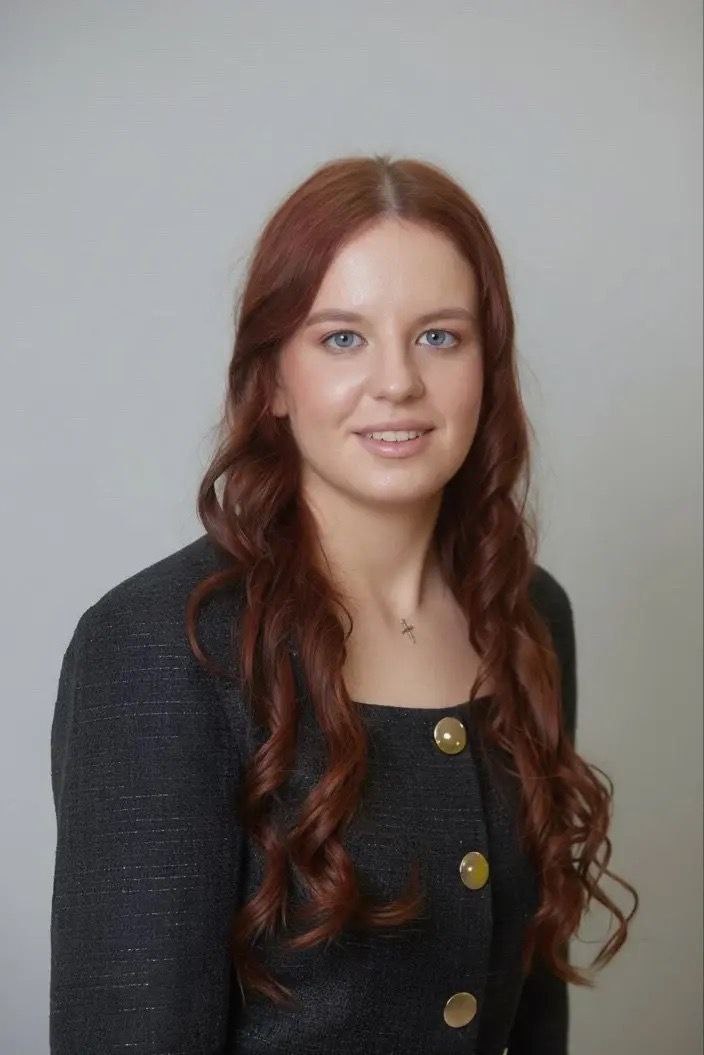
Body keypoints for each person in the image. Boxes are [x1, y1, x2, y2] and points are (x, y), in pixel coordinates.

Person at [49, 154, 638, 1054]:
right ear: (274, 380)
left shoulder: (528, 614)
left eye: (439, 336)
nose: (398, 382)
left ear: (488, 364)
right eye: (342, 338)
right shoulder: (161, 644)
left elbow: (534, 1011)